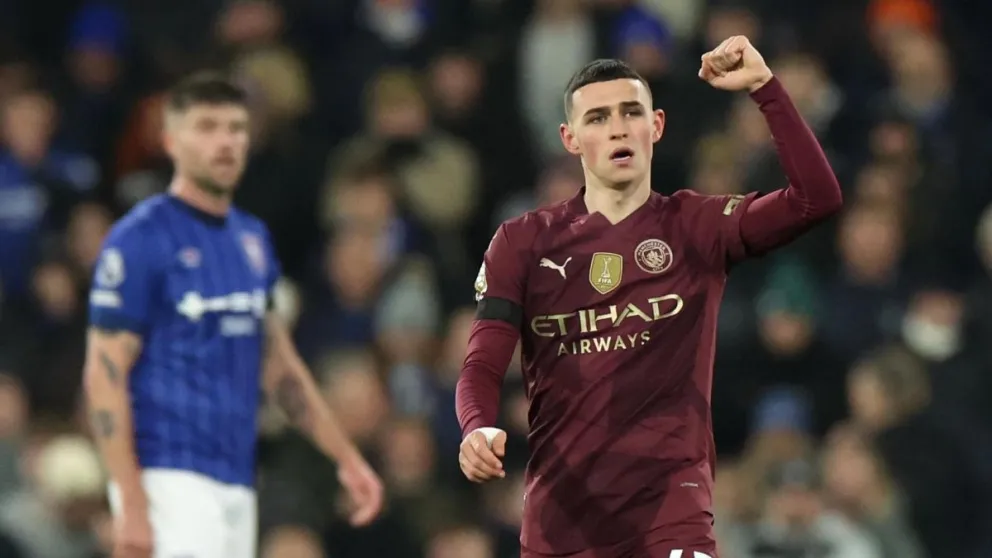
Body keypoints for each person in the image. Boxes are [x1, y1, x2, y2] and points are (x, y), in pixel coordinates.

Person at [455, 36, 843, 558]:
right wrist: (476, 428)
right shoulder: (522, 243)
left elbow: (815, 199)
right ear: (570, 139)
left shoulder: (697, 225)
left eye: (630, 112)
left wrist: (765, 88)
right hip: (562, 524)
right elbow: (482, 361)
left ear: (655, 127)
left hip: (671, 515)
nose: (617, 127)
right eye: (597, 118)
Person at [84, 72, 384, 558]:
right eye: (206, 127)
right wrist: (133, 500)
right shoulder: (140, 239)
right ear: (170, 141)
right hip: (166, 475)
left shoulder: (252, 241)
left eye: (235, 128)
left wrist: (345, 457)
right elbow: (104, 373)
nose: (224, 142)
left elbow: (280, 368)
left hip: (236, 477)